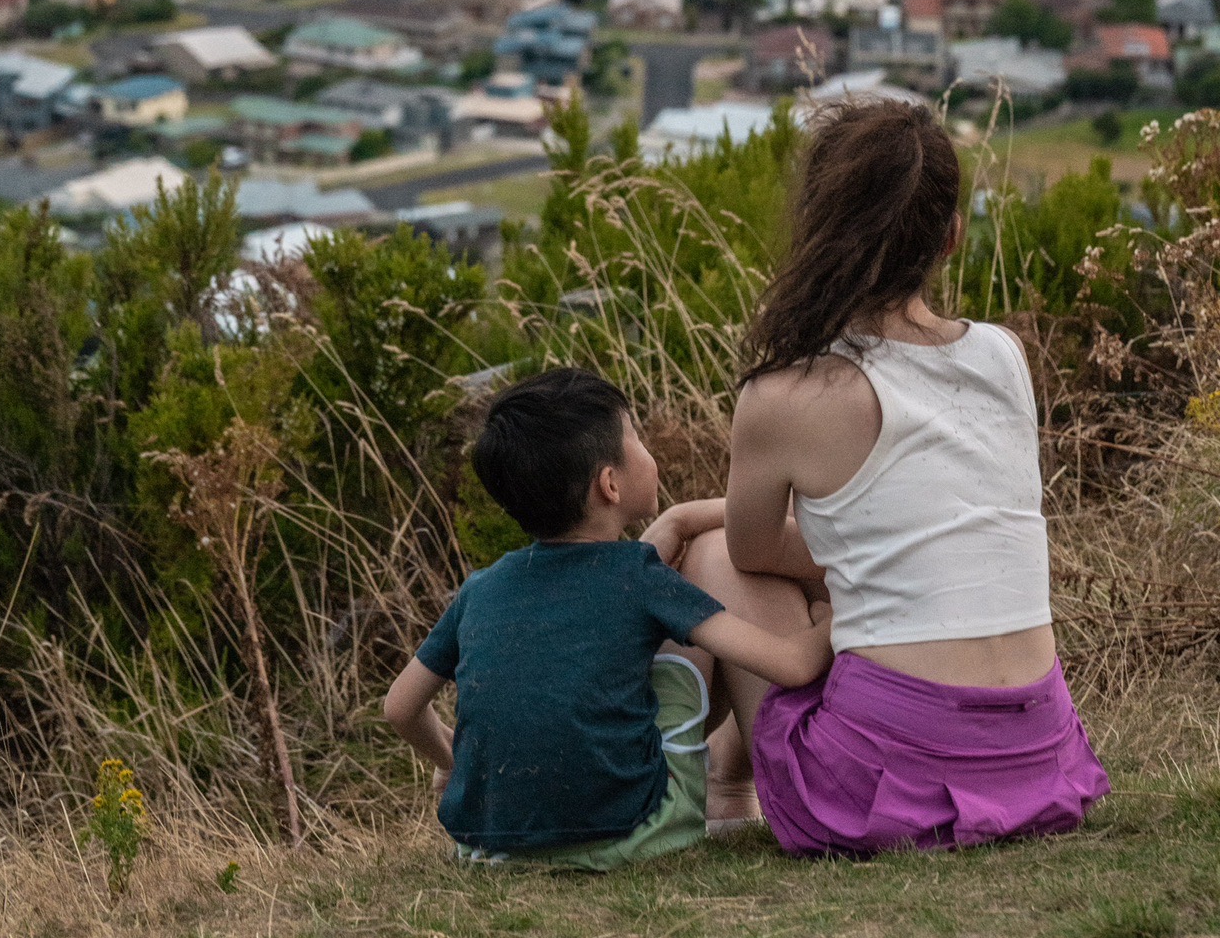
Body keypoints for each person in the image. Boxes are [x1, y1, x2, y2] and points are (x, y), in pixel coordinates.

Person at [658, 98, 1110, 855]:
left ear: (819, 231)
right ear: (951, 236)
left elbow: (753, 549)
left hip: (889, 787)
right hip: (1040, 761)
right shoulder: (1003, 355)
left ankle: (723, 787)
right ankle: (730, 781)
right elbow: (922, 539)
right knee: (842, 576)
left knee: (713, 558)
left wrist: (688, 517)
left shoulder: (785, 394)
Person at [383, 366, 832, 869]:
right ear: (610, 484)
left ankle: (723, 780)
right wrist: (831, 609)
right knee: (693, 623)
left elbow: (400, 708)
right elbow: (792, 665)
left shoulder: (481, 589)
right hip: (633, 834)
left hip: (492, 845)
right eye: (636, 436)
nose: (647, 450)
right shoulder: (637, 578)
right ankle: (725, 783)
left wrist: (456, 762)